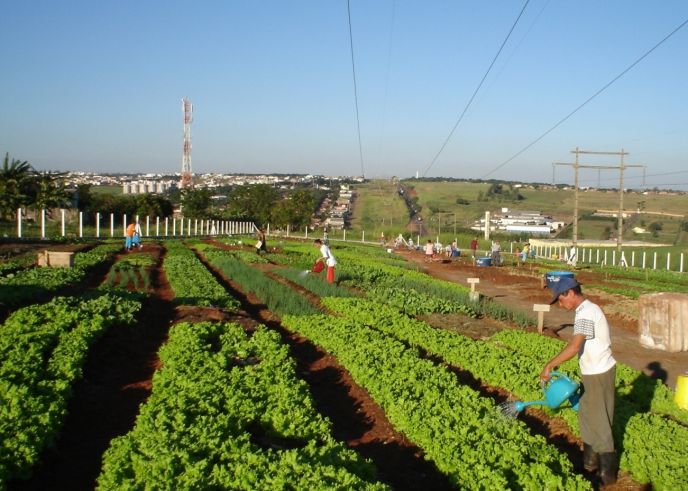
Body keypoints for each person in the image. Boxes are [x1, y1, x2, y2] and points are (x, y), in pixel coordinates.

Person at [540, 277, 617, 485]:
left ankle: (607, 476)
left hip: (599, 372)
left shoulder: (587, 311)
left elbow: (574, 347)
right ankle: (590, 465)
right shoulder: (583, 311)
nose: (560, 304)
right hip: (591, 372)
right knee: (586, 416)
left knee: (600, 420)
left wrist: (550, 365)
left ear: (571, 293)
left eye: (560, 299)